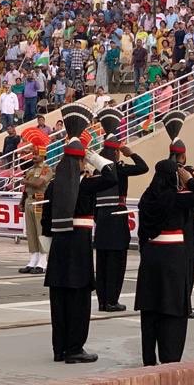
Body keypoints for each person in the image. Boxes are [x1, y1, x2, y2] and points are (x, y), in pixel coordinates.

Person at [42, 105, 116, 364]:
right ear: (81, 160)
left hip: (59, 247)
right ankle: (74, 348)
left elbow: (45, 220)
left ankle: (59, 348)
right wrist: (96, 158)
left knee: (59, 301)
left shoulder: (54, 184)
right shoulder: (85, 185)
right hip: (79, 248)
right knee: (79, 301)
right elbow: (112, 176)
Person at [135, 158, 194, 366]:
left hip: (150, 255)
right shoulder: (176, 197)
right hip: (172, 256)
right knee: (173, 308)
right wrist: (190, 181)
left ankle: (148, 360)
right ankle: (170, 358)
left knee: (149, 310)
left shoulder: (146, 197)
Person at [94, 107, 149, 312]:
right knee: (116, 262)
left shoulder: (97, 170)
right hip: (117, 217)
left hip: (101, 217)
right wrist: (132, 153)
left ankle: (102, 301)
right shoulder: (120, 168)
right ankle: (112, 300)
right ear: (116, 151)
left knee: (102, 262)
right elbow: (143, 168)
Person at [165, 110, 194, 319]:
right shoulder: (188, 172)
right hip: (188, 226)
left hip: (169, 227)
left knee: (174, 269)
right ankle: (186, 305)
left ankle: (175, 304)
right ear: (183, 155)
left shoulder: (163, 172)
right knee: (189, 266)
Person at [19, 145, 52, 274]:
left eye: (36, 154)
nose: (34, 156)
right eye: (33, 153)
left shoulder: (46, 169)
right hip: (29, 200)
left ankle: (43, 261)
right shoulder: (30, 170)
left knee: (40, 230)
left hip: (39, 201)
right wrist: (22, 201)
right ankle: (33, 259)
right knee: (31, 231)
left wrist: (25, 182)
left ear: (43, 155)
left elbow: (39, 184)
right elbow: (26, 189)